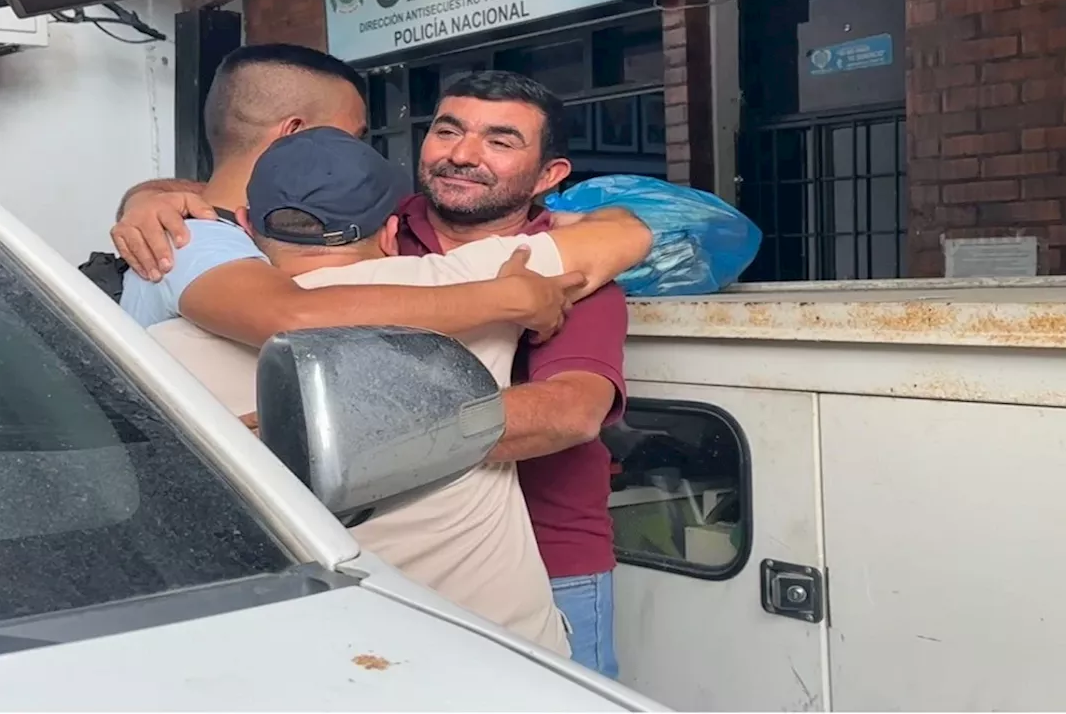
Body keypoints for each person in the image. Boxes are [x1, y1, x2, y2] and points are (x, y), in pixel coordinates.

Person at [113, 69, 660, 679]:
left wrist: (311, 434)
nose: (463, 154)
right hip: (350, 569)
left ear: (550, 176)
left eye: (501, 141)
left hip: (549, 557)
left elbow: (567, 412)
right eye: (448, 130)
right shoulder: (399, 233)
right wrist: (153, 200)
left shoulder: (562, 271)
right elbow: (284, 192)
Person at [113, 43, 580, 347]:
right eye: (351, 136)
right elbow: (292, 317)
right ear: (294, 135)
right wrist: (505, 299)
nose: (356, 155)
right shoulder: (189, 241)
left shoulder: (223, 231)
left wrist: (147, 193)